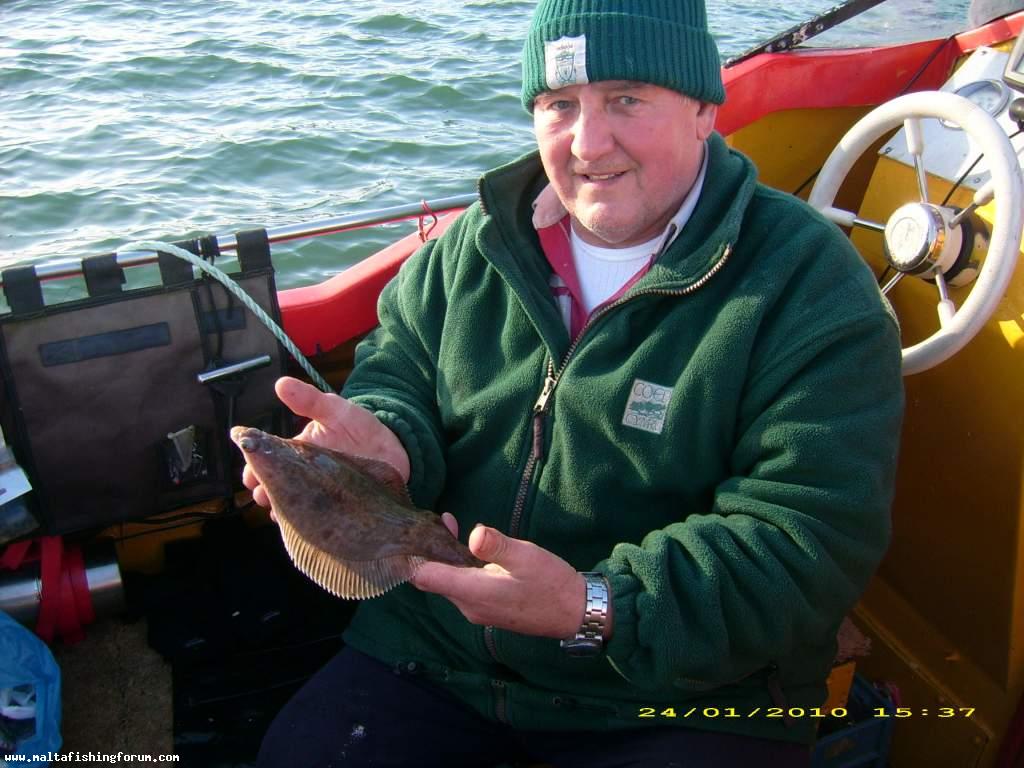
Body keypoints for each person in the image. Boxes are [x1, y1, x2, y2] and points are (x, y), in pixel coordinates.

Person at [246, 0, 905, 765]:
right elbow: (399, 371)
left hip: (682, 694)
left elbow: (808, 540)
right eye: (560, 105)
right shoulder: (472, 247)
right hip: (438, 654)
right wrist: (389, 440)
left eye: (626, 98)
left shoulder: (809, 286)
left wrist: (594, 609)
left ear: (702, 109)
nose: (589, 144)